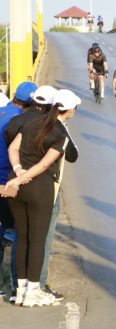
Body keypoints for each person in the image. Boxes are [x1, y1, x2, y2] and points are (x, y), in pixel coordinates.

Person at [5, 89, 81, 307]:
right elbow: (44, 164)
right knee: (37, 240)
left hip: (16, 186)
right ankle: (33, 292)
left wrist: (17, 172)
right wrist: (23, 178)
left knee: (22, 237)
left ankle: (20, 290)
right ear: (70, 110)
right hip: (39, 188)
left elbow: (13, 148)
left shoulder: (31, 122)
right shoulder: (60, 133)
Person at [0, 81, 38, 299]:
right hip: (7, 182)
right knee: (17, 233)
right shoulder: (22, 122)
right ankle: (16, 284)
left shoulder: (2, 112)